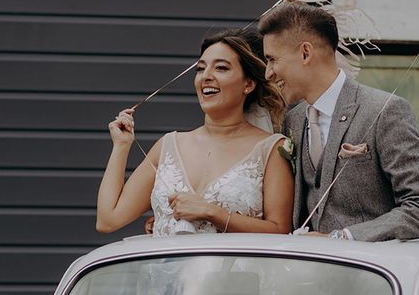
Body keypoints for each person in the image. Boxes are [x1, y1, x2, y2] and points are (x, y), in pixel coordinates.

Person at [258, 1, 419, 241]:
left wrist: (343, 237)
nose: (268, 73)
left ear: (305, 53)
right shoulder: (293, 120)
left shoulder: (384, 111)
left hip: (372, 273)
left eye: (272, 59)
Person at [96, 29, 294, 237]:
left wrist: (211, 212)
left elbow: (280, 231)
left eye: (221, 68)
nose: (206, 77)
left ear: (249, 84)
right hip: (169, 270)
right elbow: (108, 220)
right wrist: (121, 146)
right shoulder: (168, 145)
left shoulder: (271, 149)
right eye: (200, 69)